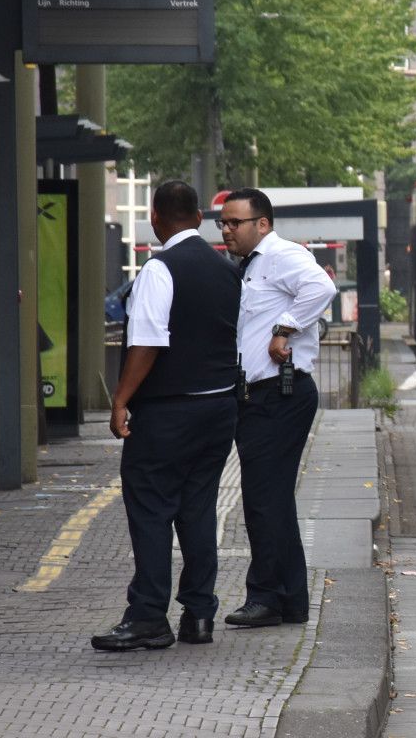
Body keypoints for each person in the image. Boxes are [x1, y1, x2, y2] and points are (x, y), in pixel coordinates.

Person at [92, 180, 241, 652]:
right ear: (199, 217)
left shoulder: (160, 270)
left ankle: (148, 616)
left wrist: (120, 400)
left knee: (152, 509)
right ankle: (199, 614)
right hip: (219, 408)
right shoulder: (226, 270)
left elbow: (149, 342)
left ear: (155, 219)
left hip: (168, 411)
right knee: (198, 509)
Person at [218, 187, 336, 628]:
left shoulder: (281, 254)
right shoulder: (250, 266)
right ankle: (290, 600)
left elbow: (322, 286)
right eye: (223, 223)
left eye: (236, 222)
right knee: (272, 499)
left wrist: (284, 330)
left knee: (264, 500)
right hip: (261, 396)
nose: (227, 230)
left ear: (262, 224)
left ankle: (266, 596)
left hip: (278, 394)